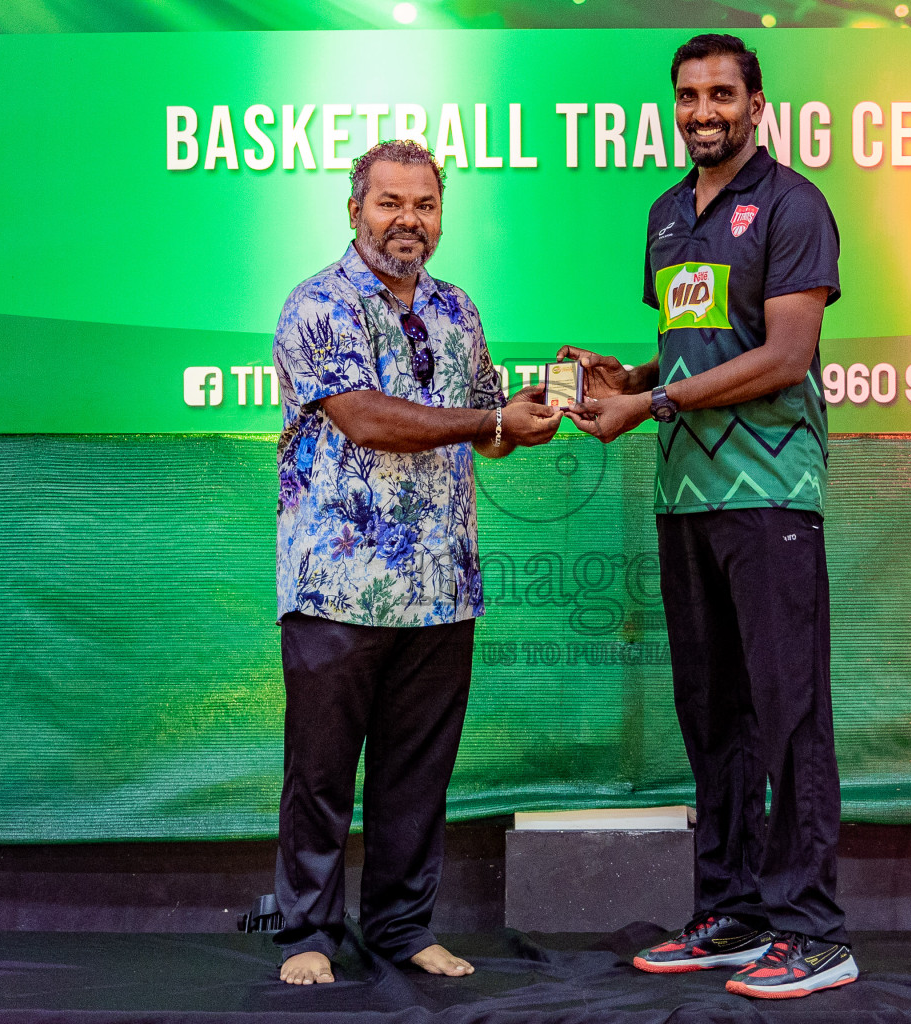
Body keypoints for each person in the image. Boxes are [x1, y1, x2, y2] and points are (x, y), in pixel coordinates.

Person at [562, 34, 856, 999]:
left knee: (789, 715)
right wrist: (630, 375)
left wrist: (651, 404)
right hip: (683, 497)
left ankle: (814, 931)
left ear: (758, 104)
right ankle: (732, 913)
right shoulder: (663, 215)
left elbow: (782, 355)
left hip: (769, 495)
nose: (703, 111)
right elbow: (696, 349)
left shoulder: (792, 204)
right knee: (713, 717)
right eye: (688, 96)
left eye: (722, 93)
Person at [270, 140, 561, 986]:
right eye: (390, 203)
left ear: (440, 215)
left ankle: (400, 928)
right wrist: (483, 423)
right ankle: (308, 936)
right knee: (320, 777)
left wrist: (531, 415)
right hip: (337, 587)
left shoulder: (458, 310)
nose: (408, 220)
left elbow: (487, 427)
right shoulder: (316, 303)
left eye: (424, 205)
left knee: (416, 778)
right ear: (355, 208)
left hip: (442, 589)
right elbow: (365, 419)